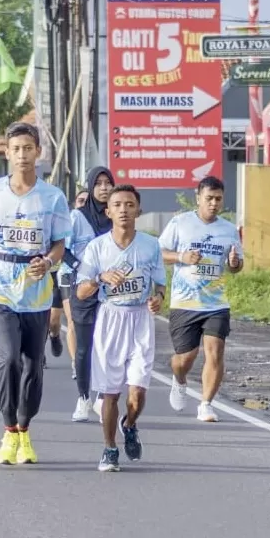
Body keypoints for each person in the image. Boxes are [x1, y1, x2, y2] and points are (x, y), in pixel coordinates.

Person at [0, 122, 71, 465]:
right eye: (16, 149)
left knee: (32, 366)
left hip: (36, 290)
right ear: (8, 153)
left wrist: (49, 261)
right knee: (8, 358)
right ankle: (8, 430)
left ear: (38, 152)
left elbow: (59, 243)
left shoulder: (53, 197)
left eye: (29, 148)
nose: (23, 154)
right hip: (0, 286)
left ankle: (25, 430)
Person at [75, 185, 166, 472]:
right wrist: (101, 278)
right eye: (117, 205)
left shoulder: (150, 246)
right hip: (110, 320)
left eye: (130, 204)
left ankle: (130, 424)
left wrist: (158, 299)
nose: (124, 210)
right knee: (110, 393)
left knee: (136, 395)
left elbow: (160, 284)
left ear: (138, 210)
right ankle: (109, 448)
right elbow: (81, 292)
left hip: (140, 320)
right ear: (108, 211)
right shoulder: (97, 247)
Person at [160, 176, 243, 423]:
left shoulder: (228, 229)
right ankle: (179, 378)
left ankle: (206, 403)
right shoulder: (180, 223)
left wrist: (235, 264)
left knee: (215, 351)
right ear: (198, 198)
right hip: (185, 303)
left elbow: (236, 265)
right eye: (209, 198)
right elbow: (159, 253)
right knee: (185, 359)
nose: (214, 203)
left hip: (216, 303)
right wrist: (181, 257)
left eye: (218, 199)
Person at [66, 166, 114, 421]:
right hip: (85, 289)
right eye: (99, 183)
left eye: (108, 183)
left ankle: (104, 396)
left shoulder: (118, 216)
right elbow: (62, 248)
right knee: (84, 347)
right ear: (91, 186)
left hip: (114, 292)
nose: (104, 188)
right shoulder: (77, 217)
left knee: (108, 347)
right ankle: (83, 397)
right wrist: (80, 267)